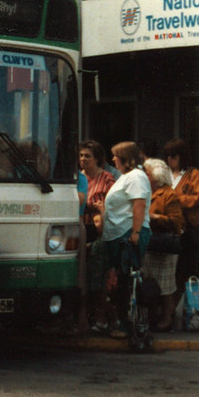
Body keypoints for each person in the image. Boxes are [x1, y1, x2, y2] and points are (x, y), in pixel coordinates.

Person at [96, 141, 152, 338]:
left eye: (116, 156)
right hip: (117, 235)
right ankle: (121, 324)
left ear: (125, 158)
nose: (113, 159)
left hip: (127, 234)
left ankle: (128, 326)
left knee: (125, 282)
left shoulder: (136, 176)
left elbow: (139, 204)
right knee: (118, 281)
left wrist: (135, 232)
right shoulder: (125, 177)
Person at [142, 158, 184, 331]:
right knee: (148, 280)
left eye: (147, 172)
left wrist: (155, 217)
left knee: (165, 285)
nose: (144, 175)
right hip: (150, 243)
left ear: (155, 176)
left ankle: (167, 317)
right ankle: (153, 314)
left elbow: (177, 222)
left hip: (164, 245)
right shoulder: (146, 190)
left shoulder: (168, 194)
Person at [80, 140, 116, 332]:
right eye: (81, 155)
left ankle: (104, 318)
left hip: (101, 232)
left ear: (97, 159)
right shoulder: (78, 178)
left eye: (88, 156)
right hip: (82, 229)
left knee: (97, 277)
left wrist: (101, 209)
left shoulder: (107, 179)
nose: (83, 159)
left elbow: (114, 205)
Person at [165, 138, 199, 320]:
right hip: (169, 226)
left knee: (187, 267)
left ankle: (187, 309)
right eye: (168, 156)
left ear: (182, 157)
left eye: (174, 156)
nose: (170, 160)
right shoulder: (166, 174)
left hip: (189, 226)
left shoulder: (193, 174)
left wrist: (175, 199)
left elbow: (196, 198)